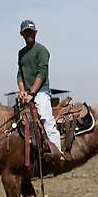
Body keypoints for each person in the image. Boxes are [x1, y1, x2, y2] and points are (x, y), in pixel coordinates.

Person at [16, 20, 64, 167]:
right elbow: (19, 75)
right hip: (28, 93)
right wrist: (22, 91)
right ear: (22, 34)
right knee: (17, 121)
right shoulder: (21, 53)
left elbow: (42, 73)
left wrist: (31, 92)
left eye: (31, 32)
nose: (29, 34)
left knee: (45, 118)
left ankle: (58, 153)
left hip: (41, 91)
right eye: (26, 32)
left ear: (35, 33)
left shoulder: (42, 50)